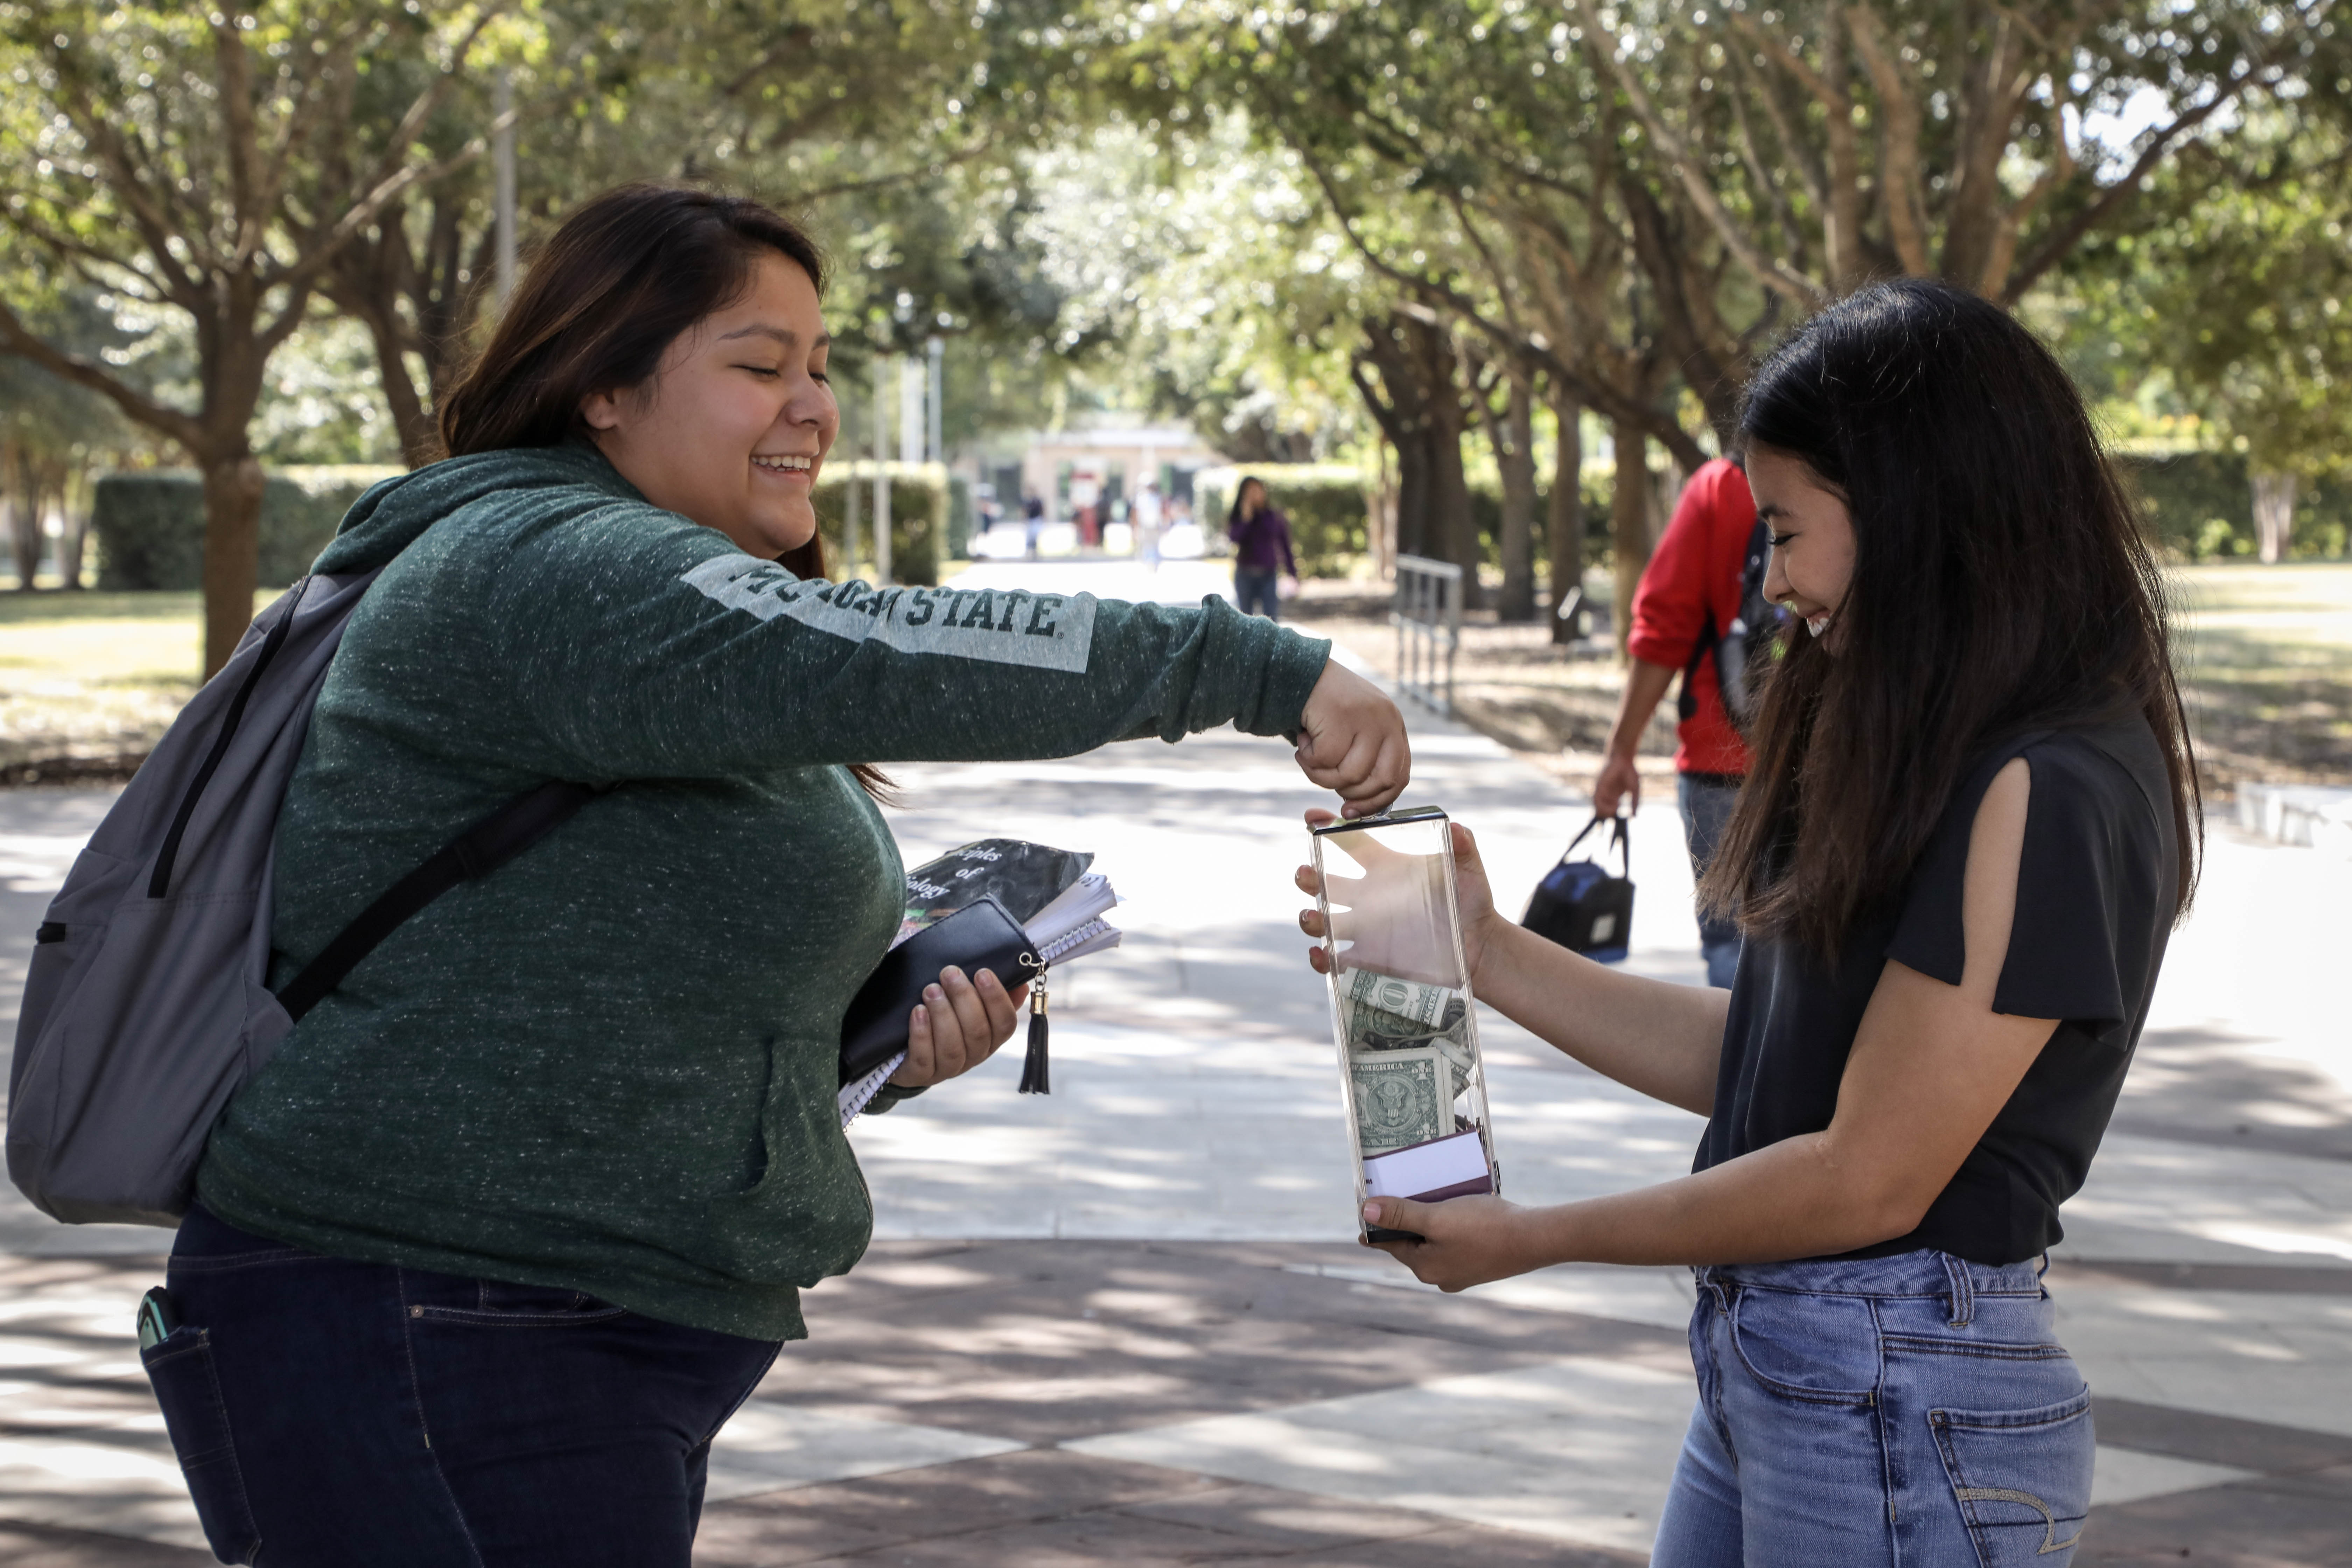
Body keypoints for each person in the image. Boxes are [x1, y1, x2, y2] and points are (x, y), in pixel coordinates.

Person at [150, 183, 1411, 1566]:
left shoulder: (625, 577)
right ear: (601, 390)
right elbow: (891, 648)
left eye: (820, 366)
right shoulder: (557, 570)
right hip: (428, 1320)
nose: (811, 404)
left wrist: (863, 1043)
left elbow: (586, 963)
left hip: (523, 1326)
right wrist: (1254, 664)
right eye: (760, 366)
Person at [1297, 279, 2199, 1563]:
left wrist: (1535, 1238)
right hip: (1794, 1366)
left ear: (1910, 511)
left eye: (1783, 531)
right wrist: (1479, 950)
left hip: (1898, 1393)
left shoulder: (2045, 787)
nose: (1771, 584)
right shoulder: (1936, 742)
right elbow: (1770, 1066)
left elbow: (1864, 1173)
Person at [1594, 458, 1757, 988]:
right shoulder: (1875, 477)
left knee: (1734, 948)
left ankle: (1739, 1072)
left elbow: (1666, 627)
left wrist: (1622, 750)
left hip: (1723, 761)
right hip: (1840, 762)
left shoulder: (1722, 486)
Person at [1227, 476, 1298, 620]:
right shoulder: (1240, 517)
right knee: (1245, 618)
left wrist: (1293, 573)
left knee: (1271, 618)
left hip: (1268, 574)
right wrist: (1246, 518)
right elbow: (1235, 538)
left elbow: (1285, 545)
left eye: (1257, 489)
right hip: (1245, 573)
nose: (1254, 494)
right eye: (1249, 491)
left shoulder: (1274, 517)